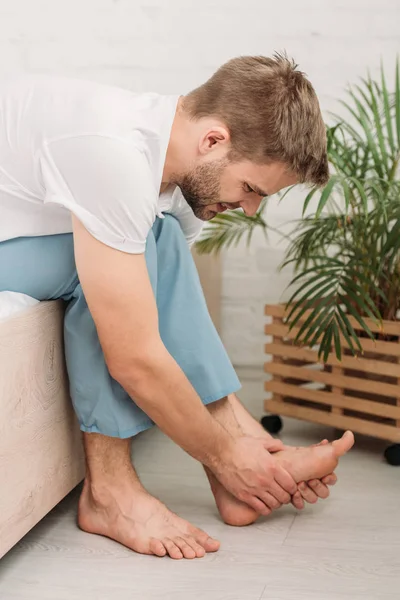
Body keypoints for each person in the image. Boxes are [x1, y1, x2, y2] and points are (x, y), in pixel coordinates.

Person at [0, 54, 354, 560]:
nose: (250, 211)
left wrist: (246, 449)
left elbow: (161, 312)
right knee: (127, 255)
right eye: (252, 190)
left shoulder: (174, 178)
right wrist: (230, 459)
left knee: (152, 242)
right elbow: (134, 356)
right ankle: (109, 492)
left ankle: (244, 443)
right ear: (213, 139)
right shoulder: (111, 152)